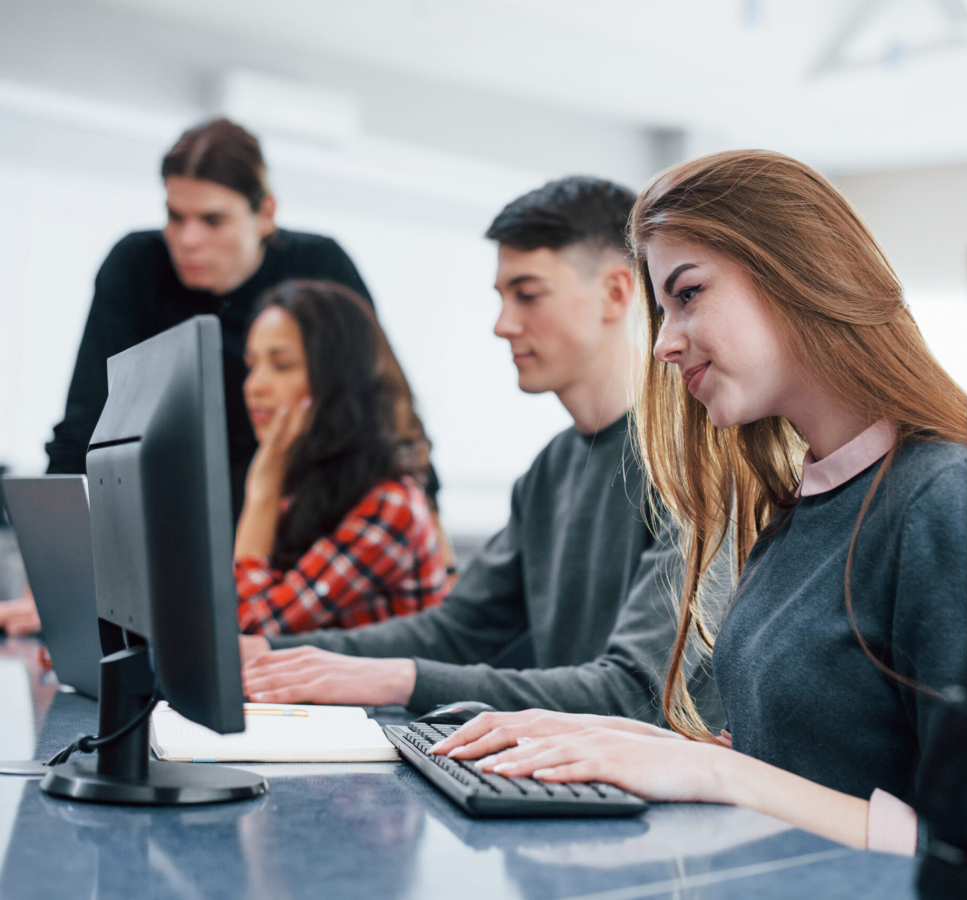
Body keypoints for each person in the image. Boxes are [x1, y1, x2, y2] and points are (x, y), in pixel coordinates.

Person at [429, 150, 967, 857]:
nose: (663, 344)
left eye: (688, 295)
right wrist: (618, 739)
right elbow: (796, 769)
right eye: (662, 309)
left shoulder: (943, 498)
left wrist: (713, 770)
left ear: (796, 272)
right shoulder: (798, 508)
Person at [237, 176, 725, 725]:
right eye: (502, 298)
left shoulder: (697, 460)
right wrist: (272, 654)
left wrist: (398, 678)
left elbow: (634, 694)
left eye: (528, 295)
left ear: (616, 292)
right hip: (568, 776)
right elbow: (456, 630)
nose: (503, 325)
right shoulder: (552, 470)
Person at [45, 117, 437, 520]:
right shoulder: (135, 265)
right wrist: (51, 558)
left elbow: (386, 405)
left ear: (265, 212)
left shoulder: (320, 266)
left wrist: (432, 524)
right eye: (175, 217)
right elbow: (86, 419)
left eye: (213, 220)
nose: (187, 240)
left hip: (297, 515)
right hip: (172, 516)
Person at [235, 280, 449, 635]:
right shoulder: (307, 489)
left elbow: (255, 627)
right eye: (252, 365)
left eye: (282, 365)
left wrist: (263, 487)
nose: (254, 386)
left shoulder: (390, 505)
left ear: (335, 379)